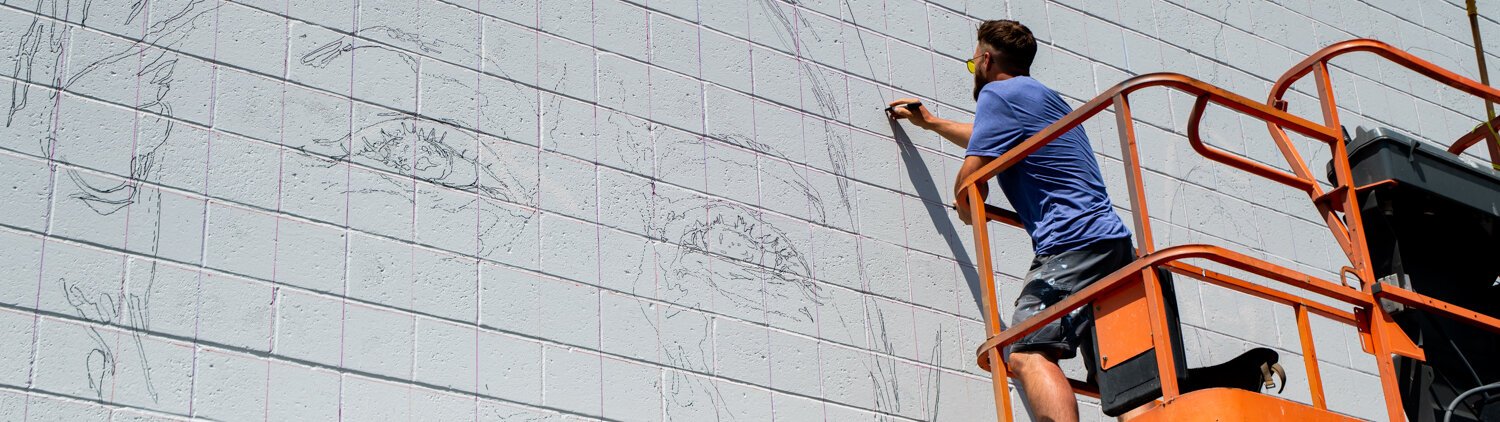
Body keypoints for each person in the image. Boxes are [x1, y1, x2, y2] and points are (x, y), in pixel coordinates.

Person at [887, 19, 1136, 422]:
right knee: (1123, 373)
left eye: (973, 64)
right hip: (1112, 246)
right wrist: (931, 124)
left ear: (985, 59)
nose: (975, 71)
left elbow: (970, 179)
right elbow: (988, 136)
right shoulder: (1041, 97)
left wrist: (967, 205)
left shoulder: (998, 94)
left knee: (1025, 350)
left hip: (1073, 244)